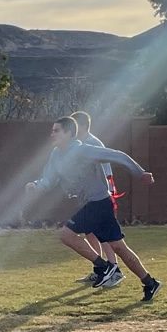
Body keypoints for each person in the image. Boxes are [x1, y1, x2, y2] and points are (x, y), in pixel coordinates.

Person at [26, 117, 161, 302]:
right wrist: (36, 185)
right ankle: (150, 283)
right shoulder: (56, 154)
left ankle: (104, 268)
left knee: (66, 235)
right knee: (119, 247)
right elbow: (49, 179)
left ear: (69, 133)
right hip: (92, 204)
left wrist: (139, 173)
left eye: (56, 130)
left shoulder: (83, 150)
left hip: (99, 202)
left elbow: (118, 156)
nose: (52, 134)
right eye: (52, 130)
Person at [71, 111, 120, 284]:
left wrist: (109, 194)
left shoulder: (93, 144)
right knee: (90, 232)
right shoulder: (78, 144)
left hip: (100, 196)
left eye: (75, 125)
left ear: (84, 126)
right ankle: (100, 269)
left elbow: (106, 171)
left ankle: (114, 270)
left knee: (102, 233)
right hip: (88, 196)